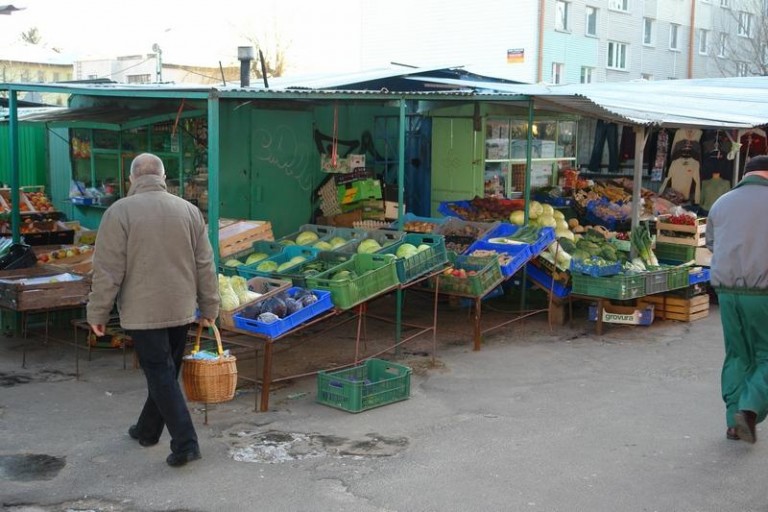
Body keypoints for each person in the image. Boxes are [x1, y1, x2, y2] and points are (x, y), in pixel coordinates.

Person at [87, 153, 219, 466]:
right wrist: (210, 305)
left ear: (132, 179)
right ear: (162, 176)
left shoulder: (119, 212)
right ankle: (147, 430)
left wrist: (98, 313)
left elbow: (107, 270)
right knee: (166, 373)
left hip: (142, 310)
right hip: (181, 307)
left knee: (161, 374)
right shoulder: (189, 211)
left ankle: (186, 443)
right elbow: (205, 265)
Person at [706, 154, 768, 444]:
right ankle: (750, 407)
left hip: (727, 292)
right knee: (766, 355)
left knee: (737, 354)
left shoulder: (721, 203)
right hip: (763, 292)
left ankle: (733, 423)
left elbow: (712, 244)